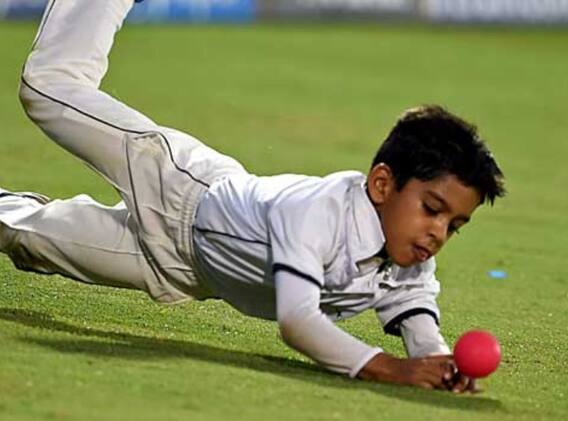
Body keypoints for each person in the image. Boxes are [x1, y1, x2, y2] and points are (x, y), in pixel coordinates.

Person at [1, 0, 505, 393]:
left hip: (181, 270)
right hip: (179, 189)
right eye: (432, 209)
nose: (438, 233)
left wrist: (436, 362)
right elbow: (298, 322)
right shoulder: (319, 212)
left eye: (453, 225)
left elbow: (414, 309)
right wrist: (390, 368)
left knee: (23, 238)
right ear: (381, 184)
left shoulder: (410, 254)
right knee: (48, 88)